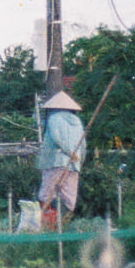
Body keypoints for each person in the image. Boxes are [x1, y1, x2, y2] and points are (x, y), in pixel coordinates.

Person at [36, 90, 86, 232]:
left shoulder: (54, 118)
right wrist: (78, 161)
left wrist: (68, 152)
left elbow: (57, 138)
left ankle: (45, 225)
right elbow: (83, 145)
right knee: (69, 199)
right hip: (74, 166)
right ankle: (62, 225)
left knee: (45, 194)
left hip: (55, 162)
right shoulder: (77, 122)